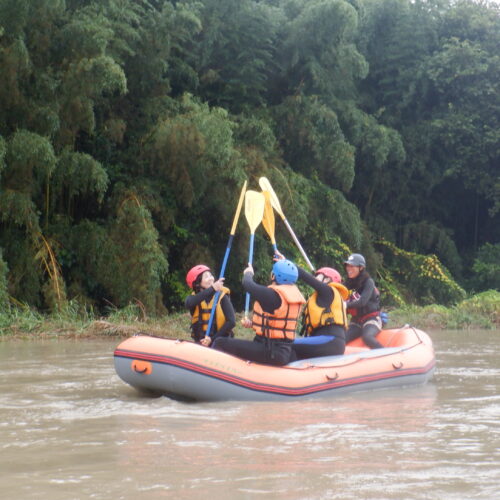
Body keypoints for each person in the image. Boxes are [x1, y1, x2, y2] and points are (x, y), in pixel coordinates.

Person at [213, 259, 306, 366]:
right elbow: (275, 323)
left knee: (220, 342)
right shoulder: (291, 295)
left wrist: (248, 273)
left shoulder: (273, 295)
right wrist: (254, 324)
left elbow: (248, 284)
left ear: (273, 276)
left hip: (270, 351)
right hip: (280, 350)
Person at [293, 264, 350, 359]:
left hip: (330, 340)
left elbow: (307, 277)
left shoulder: (328, 291)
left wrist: (289, 264)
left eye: (318, 275)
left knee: (285, 345)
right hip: (326, 340)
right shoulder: (324, 295)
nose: (316, 277)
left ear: (327, 279)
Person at [185, 265, 236, 347]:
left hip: (220, 342)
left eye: (210, 275)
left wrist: (212, 339)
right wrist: (213, 288)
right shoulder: (193, 299)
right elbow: (189, 304)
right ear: (197, 283)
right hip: (200, 343)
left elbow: (231, 322)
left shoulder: (222, 296)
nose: (211, 278)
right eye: (206, 277)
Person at [343, 253, 383, 349]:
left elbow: (362, 302)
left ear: (361, 268)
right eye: (348, 266)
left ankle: (388, 356)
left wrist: (345, 305)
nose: (349, 268)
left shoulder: (368, 282)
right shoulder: (348, 282)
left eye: (352, 266)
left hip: (372, 319)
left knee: (368, 337)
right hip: (356, 321)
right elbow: (337, 291)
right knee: (341, 340)